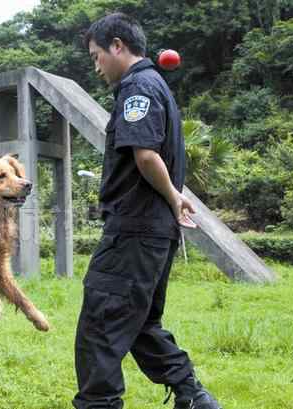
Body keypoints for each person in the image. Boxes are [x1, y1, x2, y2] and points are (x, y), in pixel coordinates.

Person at [73, 13, 222, 409]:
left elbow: (145, 156)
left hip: (134, 229)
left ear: (117, 46)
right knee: (138, 322)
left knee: (100, 325)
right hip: (154, 231)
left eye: (96, 55)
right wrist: (174, 198)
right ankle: (193, 397)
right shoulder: (157, 85)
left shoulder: (137, 88)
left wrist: (174, 197)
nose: (96, 66)